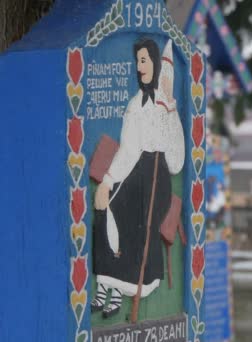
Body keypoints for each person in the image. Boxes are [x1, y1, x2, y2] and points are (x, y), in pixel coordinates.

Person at [91, 38, 184, 318]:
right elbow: (129, 149)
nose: (139, 67)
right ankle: (107, 288)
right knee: (107, 211)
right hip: (135, 172)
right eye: (137, 61)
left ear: (156, 65)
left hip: (157, 178)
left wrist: (170, 114)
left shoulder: (167, 107)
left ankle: (123, 291)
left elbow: (176, 162)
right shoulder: (135, 103)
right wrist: (108, 181)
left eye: (144, 61)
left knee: (136, 222)